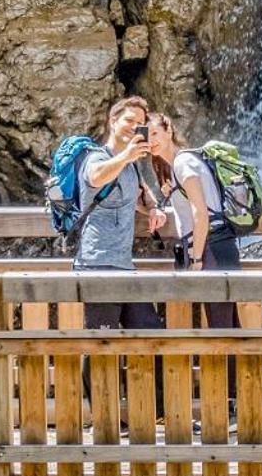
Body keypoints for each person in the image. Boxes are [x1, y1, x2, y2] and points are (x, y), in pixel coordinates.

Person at [76, 95, 169, 329]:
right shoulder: (95, 156)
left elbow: (143, 193)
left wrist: (154, 208)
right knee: (100, 344)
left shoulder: (131, 165)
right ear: (113, 121)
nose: (134, 127)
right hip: (97, 264)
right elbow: (96, 177)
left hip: (124, 266)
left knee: (150, 333)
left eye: (140, 123)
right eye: (129, 120)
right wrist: (126, 155)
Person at [150, 112, 239, 331]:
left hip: (211, 250)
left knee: (222, 327)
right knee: (228, 326)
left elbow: (201, 213)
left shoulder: (183, 163)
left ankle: (231, 366)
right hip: (216, 246)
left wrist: (197, 259)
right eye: (146, 135)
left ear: (169, 130)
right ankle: (239, 366)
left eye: (155, 133)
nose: (151, 140)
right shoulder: (178, 165)